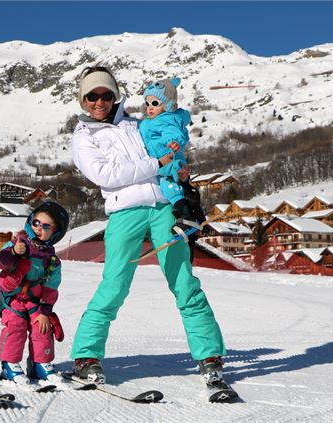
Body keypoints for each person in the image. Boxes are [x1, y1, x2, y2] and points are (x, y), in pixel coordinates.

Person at [69, 65, 227, 387]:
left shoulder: (138, 124)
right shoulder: (84, 137)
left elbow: (168, 151)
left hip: (163, 207)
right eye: (92, 96)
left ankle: (209, 355)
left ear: (115, 95)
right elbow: (106, 176)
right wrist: (156, 165)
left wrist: (178, 171)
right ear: (83, 100)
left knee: (184, 281)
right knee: (114, 284)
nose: (99, 101)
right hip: (125, 211)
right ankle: (86, 354)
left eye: (106, 94)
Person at [0, 201, 69, 383]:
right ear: (30, 222)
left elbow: (51, 288)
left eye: (46, 226)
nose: (38, 228)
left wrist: (45, 311)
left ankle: (40, 364)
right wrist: (13, 252)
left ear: (55, 233)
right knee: (16, 326)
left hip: (35, 300)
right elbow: (0, 261)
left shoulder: (52, 260)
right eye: (36, 223)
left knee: (42, 327)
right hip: (13, 298)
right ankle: (8, 364)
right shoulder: (18, 243)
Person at [139, 77, 206, 260]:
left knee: (170, 189)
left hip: (167, 161)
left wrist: (173, 142)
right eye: (147, 103)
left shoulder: (164, 119)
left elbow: (173, 133)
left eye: (154, 103)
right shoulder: (155, 120)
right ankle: (195, 216)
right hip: (167, 161)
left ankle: (186, 218)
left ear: (167, 105)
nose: (149, 107)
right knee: (179, 188)